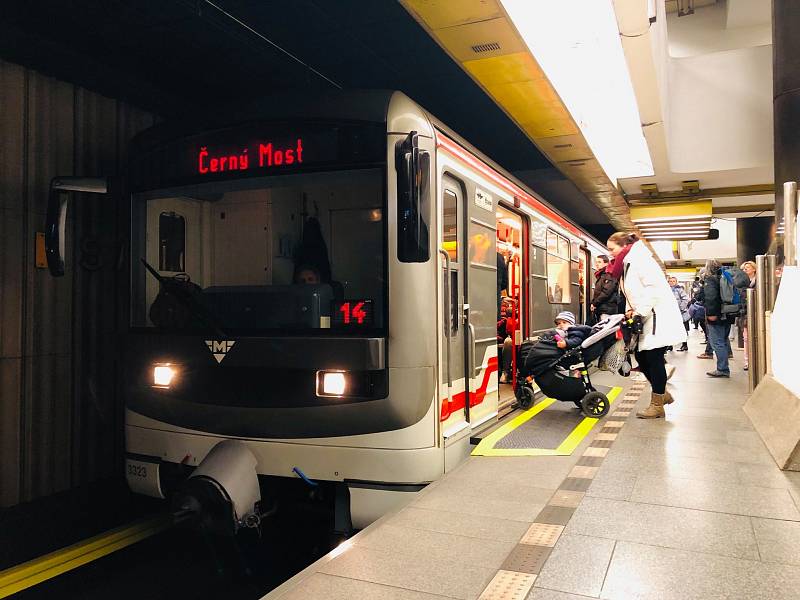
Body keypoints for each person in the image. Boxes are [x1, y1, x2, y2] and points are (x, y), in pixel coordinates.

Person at [607, 232, 687, 418]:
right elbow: (631, 293)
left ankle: (657, 404)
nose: (609, 253)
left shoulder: (641, 261)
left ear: (624, 245)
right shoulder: (628, 263)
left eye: (612, 249)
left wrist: (639, 311)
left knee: (653, 358)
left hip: (656, 316)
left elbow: (653, 289)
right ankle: (662, 394)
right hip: (646, 316)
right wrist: (630, 309)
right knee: (642, 358)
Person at [739, 260, 757, 371]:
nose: (745, 270)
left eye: (748, 268)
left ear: (754, 269)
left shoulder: (759, 280)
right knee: (746, 338)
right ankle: (747, 361)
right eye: (744, 269)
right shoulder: (741, 282)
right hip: (744, 313)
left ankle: (756, 359)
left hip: (756, 311)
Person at [591, 255, 619, 322]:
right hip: (603, 309)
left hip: (607, 310)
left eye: (599, 262)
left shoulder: (609, 274)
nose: (597, 264)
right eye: (596, 262)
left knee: (605, 330)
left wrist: (594, 303)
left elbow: (606, 292)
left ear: (606, 263)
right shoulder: (602, 275)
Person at [668, 276, 690, 351]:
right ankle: (669, 345)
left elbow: (685, 299)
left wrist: (680, 308)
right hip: (670, 313)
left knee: (683, 329)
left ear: (676, 282)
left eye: (673, 281)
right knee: (669, 329)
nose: (672, 282)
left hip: (680, 313)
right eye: (670, 281)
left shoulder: (680, 290)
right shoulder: (666, 290)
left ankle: (685, 345)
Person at [497, 299, 516, 384]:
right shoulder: (501, 301)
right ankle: (504, 372)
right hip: (503, 334)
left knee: (508, 342)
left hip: (516, 334)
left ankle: (506, 372)